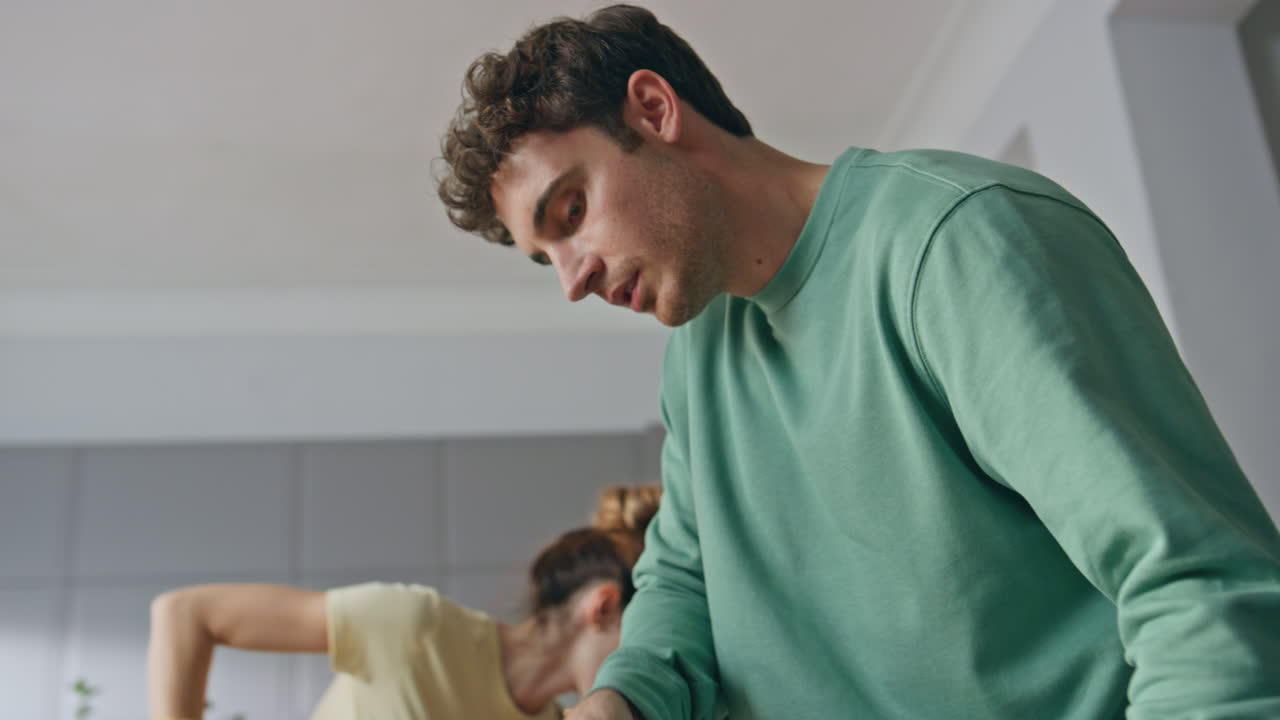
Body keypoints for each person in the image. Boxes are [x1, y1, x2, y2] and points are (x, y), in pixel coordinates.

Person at [435, 5, 1280, 719]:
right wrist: (623, 700)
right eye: (545, 260)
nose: (573, 280)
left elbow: (1198, 590)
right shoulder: (698, 358)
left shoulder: (955, 242)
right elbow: (687, 579)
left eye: (570, 211)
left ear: (655, 110)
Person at [147, 483, 662, 719]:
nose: (649, 670)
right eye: (643, 641)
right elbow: (185, 613)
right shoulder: (418, 626)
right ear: (603, 607)